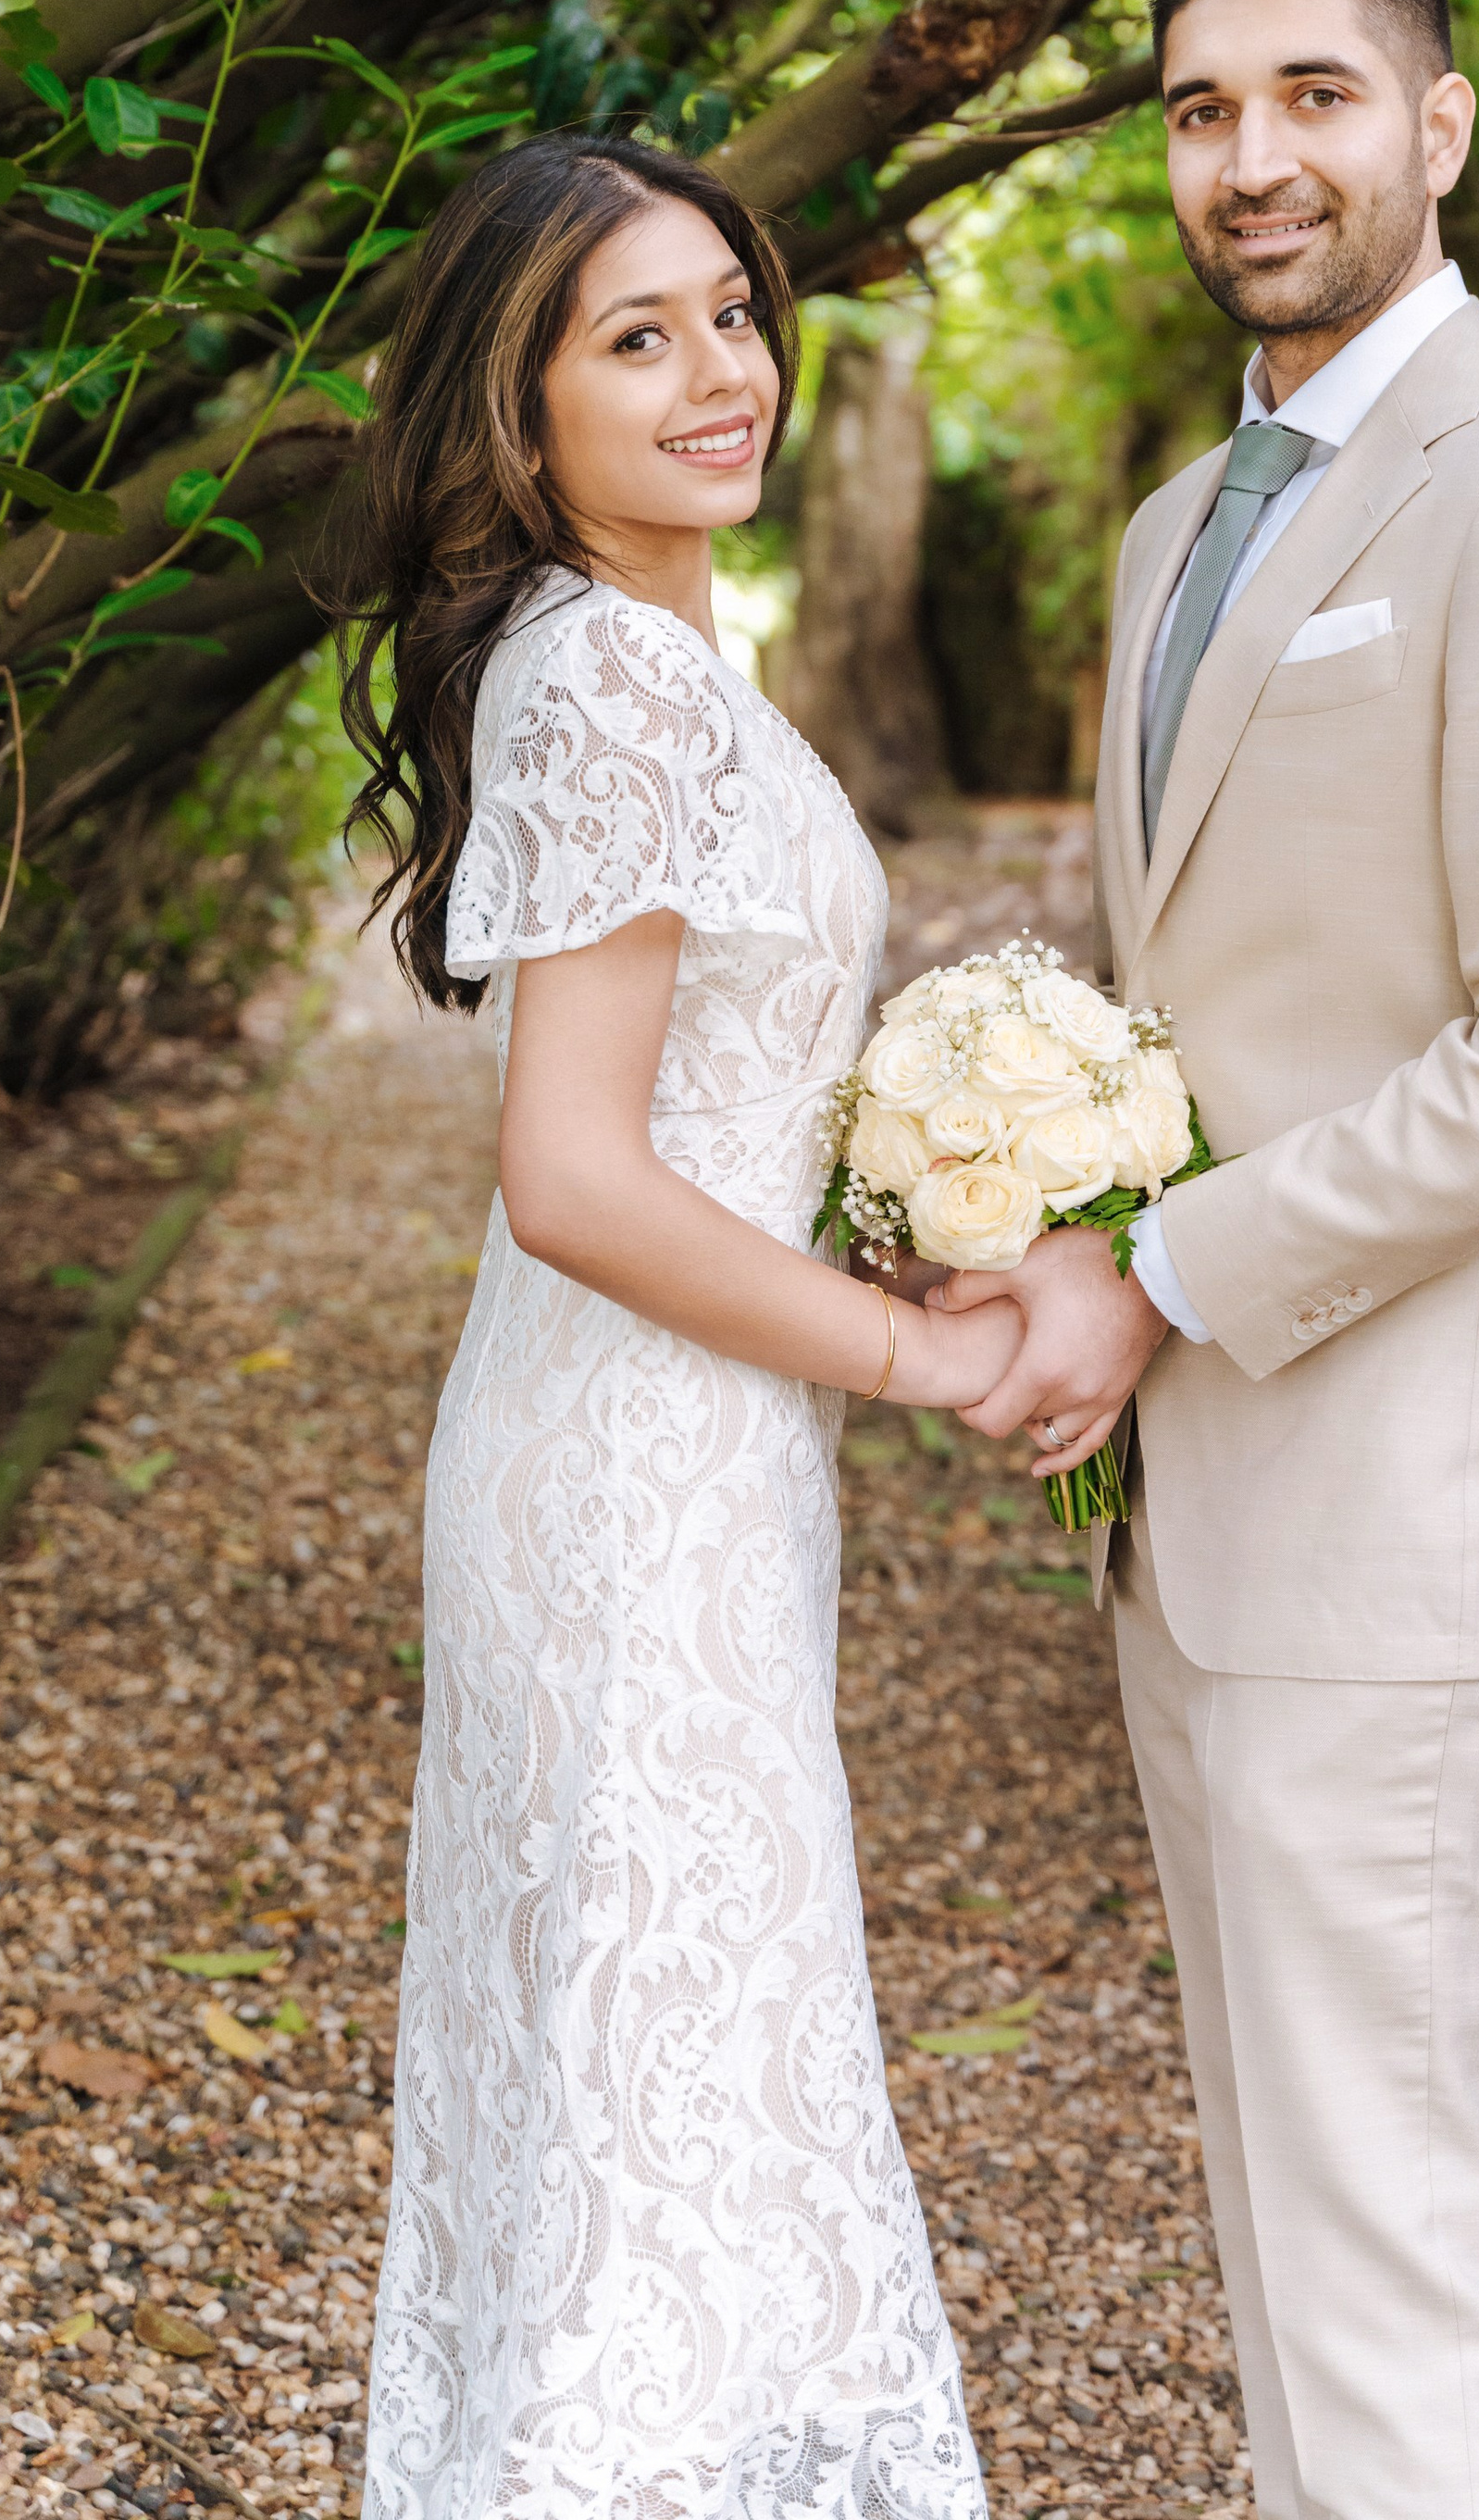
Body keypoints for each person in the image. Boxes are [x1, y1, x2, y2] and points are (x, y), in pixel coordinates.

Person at [938, 0, 1479, 2520]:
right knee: (1301, 2227)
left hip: (1408, 1507)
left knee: (1390, 2246)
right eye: (1198, 110)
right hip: (1214, 1522)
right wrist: (1008, 1178)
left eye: (1313, 98)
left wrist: (1154, 1265)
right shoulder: (1185, 532)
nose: (1251, 161)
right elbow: (1218, 987)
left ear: (1438, 125)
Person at [336, 130, 1000, 2520]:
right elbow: (579, 1171)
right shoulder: (608, 680)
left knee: (672, 2083)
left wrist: (926, 1227)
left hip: (677, 1454)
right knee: (665, 2094)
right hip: (634, 1484)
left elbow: (709, 1112)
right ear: (522, 420)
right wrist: (913, 1354)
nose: (720, 370)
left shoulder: (647, 652)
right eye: (639, 336)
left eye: (731, 309)